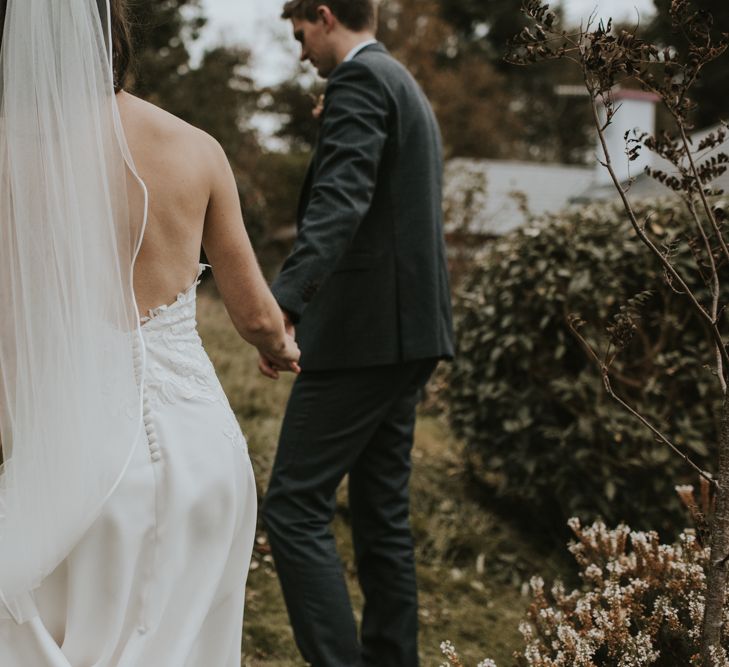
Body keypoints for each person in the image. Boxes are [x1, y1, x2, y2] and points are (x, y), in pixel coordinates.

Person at [0, 0, 299, 665]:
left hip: (77, 464)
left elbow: (11, 343)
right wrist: (282, 348)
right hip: (206, 463)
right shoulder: (195, 146)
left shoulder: (8, 156)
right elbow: (254, 315)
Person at [261, 1, 454, 665]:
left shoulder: (360, 83)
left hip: (366, 335)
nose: (299, 52)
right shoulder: (399, 83)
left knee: (292, 506)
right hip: (411, 333)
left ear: (321, 14)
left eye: (298, 35)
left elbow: (340, 201)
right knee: (380, 515)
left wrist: (284, 304)